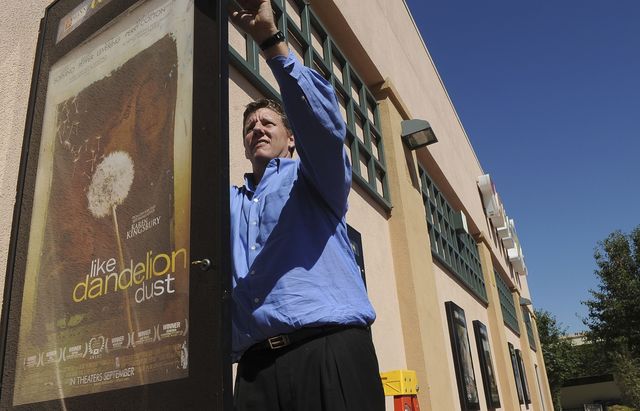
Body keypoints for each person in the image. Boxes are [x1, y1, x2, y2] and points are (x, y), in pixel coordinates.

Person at [229, 1, 385, 410]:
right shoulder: (229, 204)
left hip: (328, 351)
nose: (257, 128)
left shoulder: (313, 179)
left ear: (291, 138)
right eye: (249, 126)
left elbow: (324, 127)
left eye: (268, 122)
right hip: (255, 368)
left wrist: (270, 41)